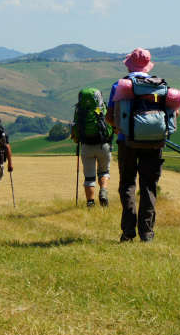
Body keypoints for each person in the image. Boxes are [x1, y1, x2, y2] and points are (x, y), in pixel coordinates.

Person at [105, 48, 167, 242]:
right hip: (154, 143)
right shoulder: (159, 85)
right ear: (147, 66)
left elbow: (109, 116)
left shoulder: (120, 85)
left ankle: (128, 231)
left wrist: (118, 128)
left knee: (128, 184)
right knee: (149, 185)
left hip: (127, 142)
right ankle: (147, 233)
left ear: (129, 64)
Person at [71, 88, 113, 207]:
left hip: (86, 147)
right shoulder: (101, 109)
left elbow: (75, 133)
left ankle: (90, 202)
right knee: (104, 171)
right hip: (103, 145)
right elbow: (110, 127)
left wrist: (77, 138)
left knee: (89, 177)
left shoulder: (80, 112)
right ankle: (103, 191)